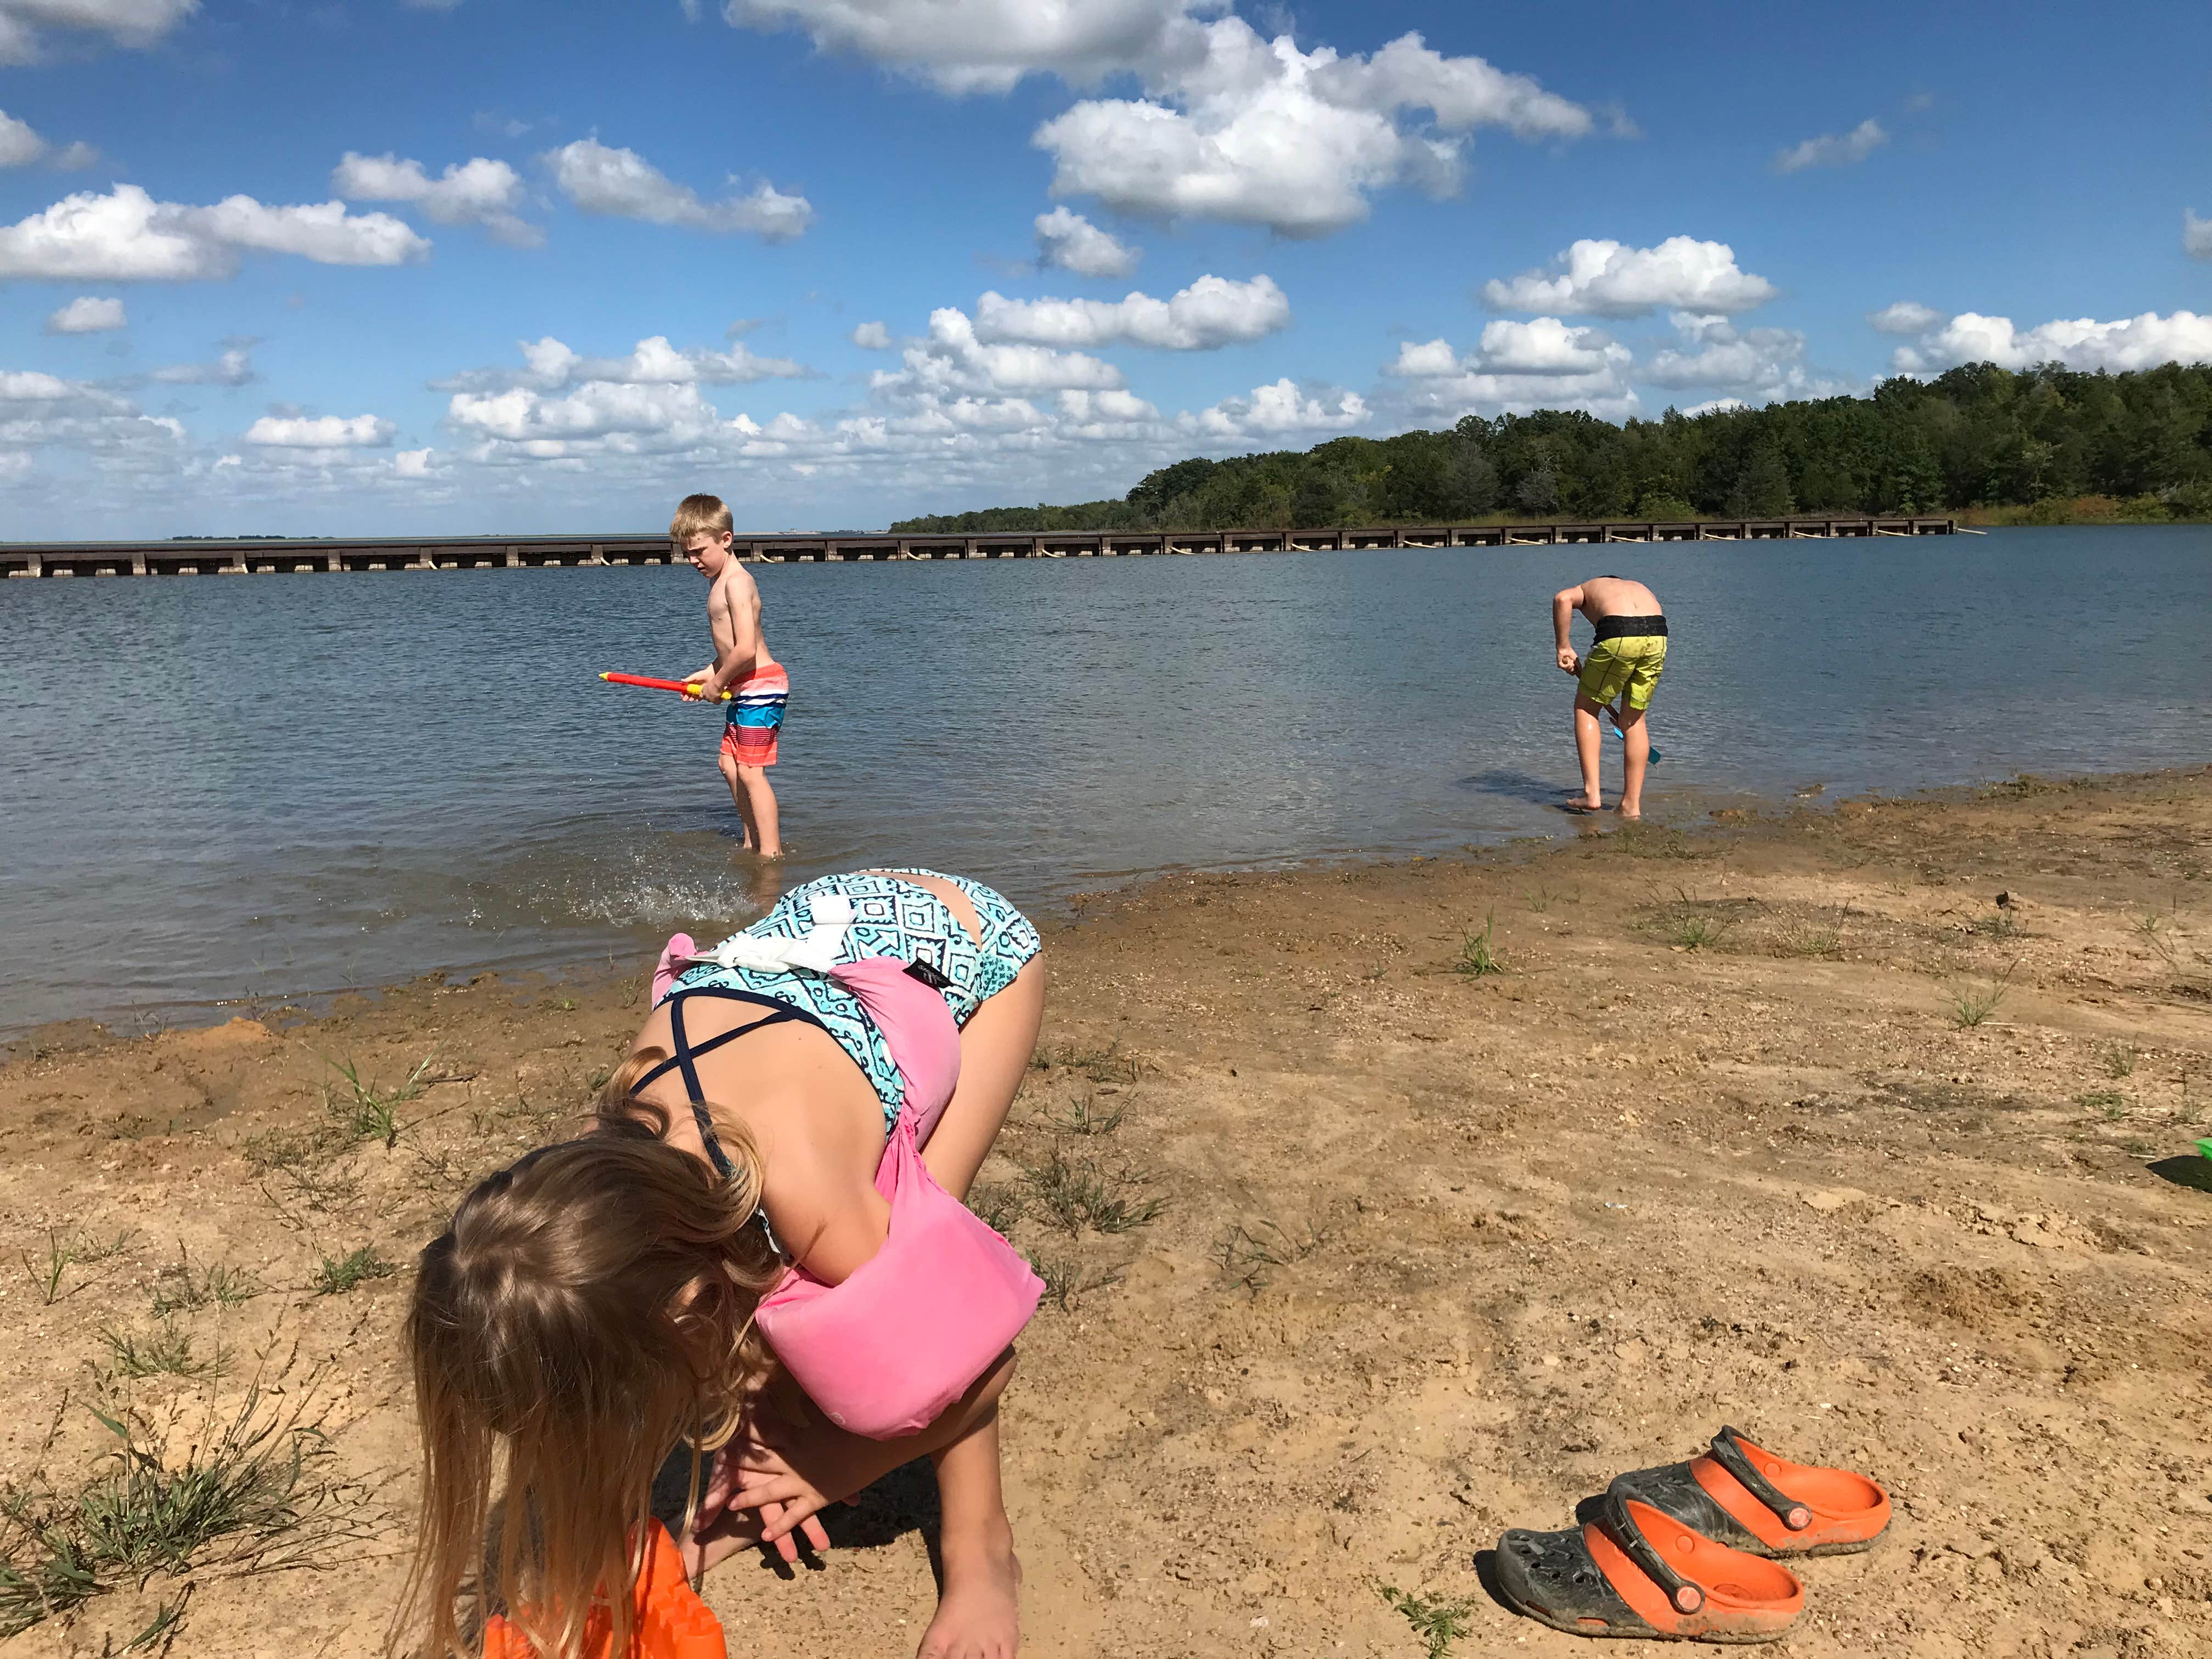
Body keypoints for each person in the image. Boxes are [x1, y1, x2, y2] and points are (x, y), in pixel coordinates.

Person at [400, 868, 1046, 1659]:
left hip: (968, 960)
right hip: (827, 946)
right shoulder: (623, 1141)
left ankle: (982, 1548)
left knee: (917, 1267)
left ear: (690, 1304)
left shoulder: (816, 1200)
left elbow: (979, 1359)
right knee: (797, 1298)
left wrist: (827, 1461)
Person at [674, 493, 787, 857]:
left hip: (761, 686)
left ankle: (771, 854)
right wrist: (707, 674)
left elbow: (747, 650)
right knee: (729, 765)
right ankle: (752, 839)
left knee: (752, 772)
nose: (693, 561)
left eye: (700, 551)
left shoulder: (737, 582)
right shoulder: (717, 582)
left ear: (726, 539)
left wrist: (717, 683)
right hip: (744, 686)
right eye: (686, 553)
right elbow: (729, 652)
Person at [1552, 574, 1668, 819]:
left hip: (1619, 631)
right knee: (1634, 721)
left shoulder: (1586, 589)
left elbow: (1562, 598)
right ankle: (1630, 806)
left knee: (1586, 708)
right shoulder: (1636, 586)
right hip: (1657, 634)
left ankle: (1591, 794)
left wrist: (1564, 647)